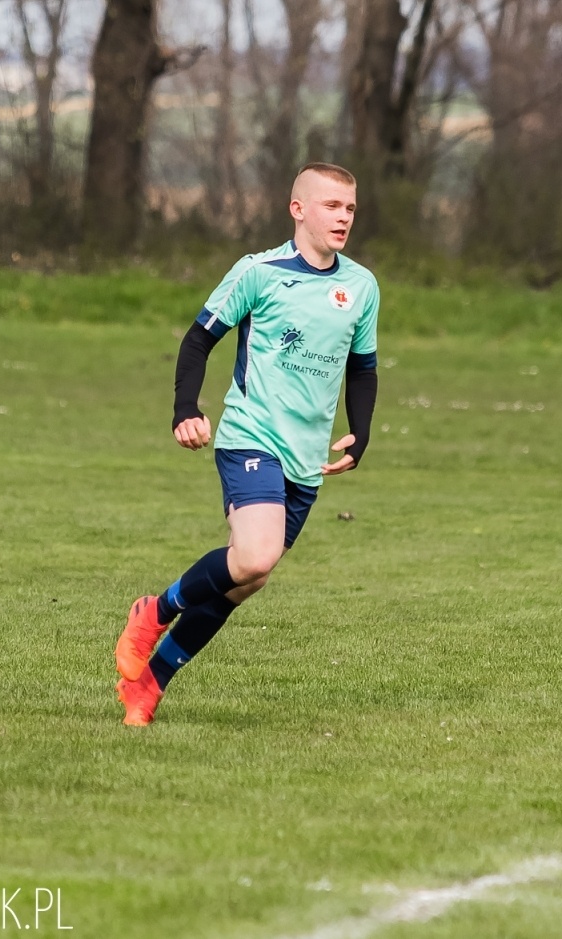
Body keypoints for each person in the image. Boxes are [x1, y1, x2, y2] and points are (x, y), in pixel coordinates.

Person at [112, 162, 379, 726]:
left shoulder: (360, 286)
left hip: (306, 459)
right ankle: (153, 610)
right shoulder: (258, 272)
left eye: (350, 208)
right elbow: (197, 340)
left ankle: (150, 685)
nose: (344, 218)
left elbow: (363, 366)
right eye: (332, 206)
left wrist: (361, 431)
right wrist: (187, 408)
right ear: (298, 208)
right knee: (255, 555)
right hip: (251, 436)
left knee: (247, 580)